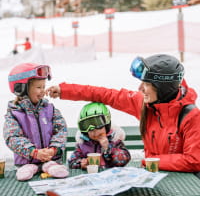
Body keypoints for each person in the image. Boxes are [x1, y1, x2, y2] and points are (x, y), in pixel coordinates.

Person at [46, 54, 200, 172]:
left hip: (181, 179)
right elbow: (105, 94)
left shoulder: (190, 116)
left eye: (147, 84)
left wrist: (151, 160)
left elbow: (194, 160)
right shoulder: (145, 104)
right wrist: (64, 90)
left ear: (163, 88)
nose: (140, 89)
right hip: (152, 173)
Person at [3, 63, 68, 181]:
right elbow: (12, 137)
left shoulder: (50, 109)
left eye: (44, 86)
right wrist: (33, 152)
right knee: (25, 172)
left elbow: (61, 130)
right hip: (26, 163)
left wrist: (54, 149)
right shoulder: (14, 114)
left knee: (53, 167)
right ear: (21, 89)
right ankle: (28, 168)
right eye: (38, 87)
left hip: (50, 160)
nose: (43, 91)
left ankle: (52, 167)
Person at [68, 102, 131, 169]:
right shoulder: (82, 145)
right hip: (91, 177)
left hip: (111, 177)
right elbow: (71, 161)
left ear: (107, 126)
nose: (95, 132)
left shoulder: (115, 141)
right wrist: (81, 163)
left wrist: (108, 148)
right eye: (90, 130)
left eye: (99, 127)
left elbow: (123, 160)